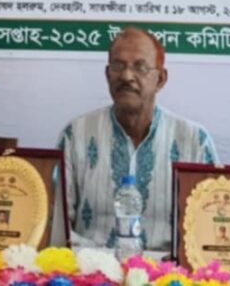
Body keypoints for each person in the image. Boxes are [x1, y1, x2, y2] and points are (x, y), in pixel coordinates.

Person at [58, 27, 219, 250]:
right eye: (118, 66)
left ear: (160, 79)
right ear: (107, 74)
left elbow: (211, 226)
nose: (126, 76)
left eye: (140, 67)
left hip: (169, 268)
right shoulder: (76, 134)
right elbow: (57, 224)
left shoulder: (194, 141)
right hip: (90, 265)